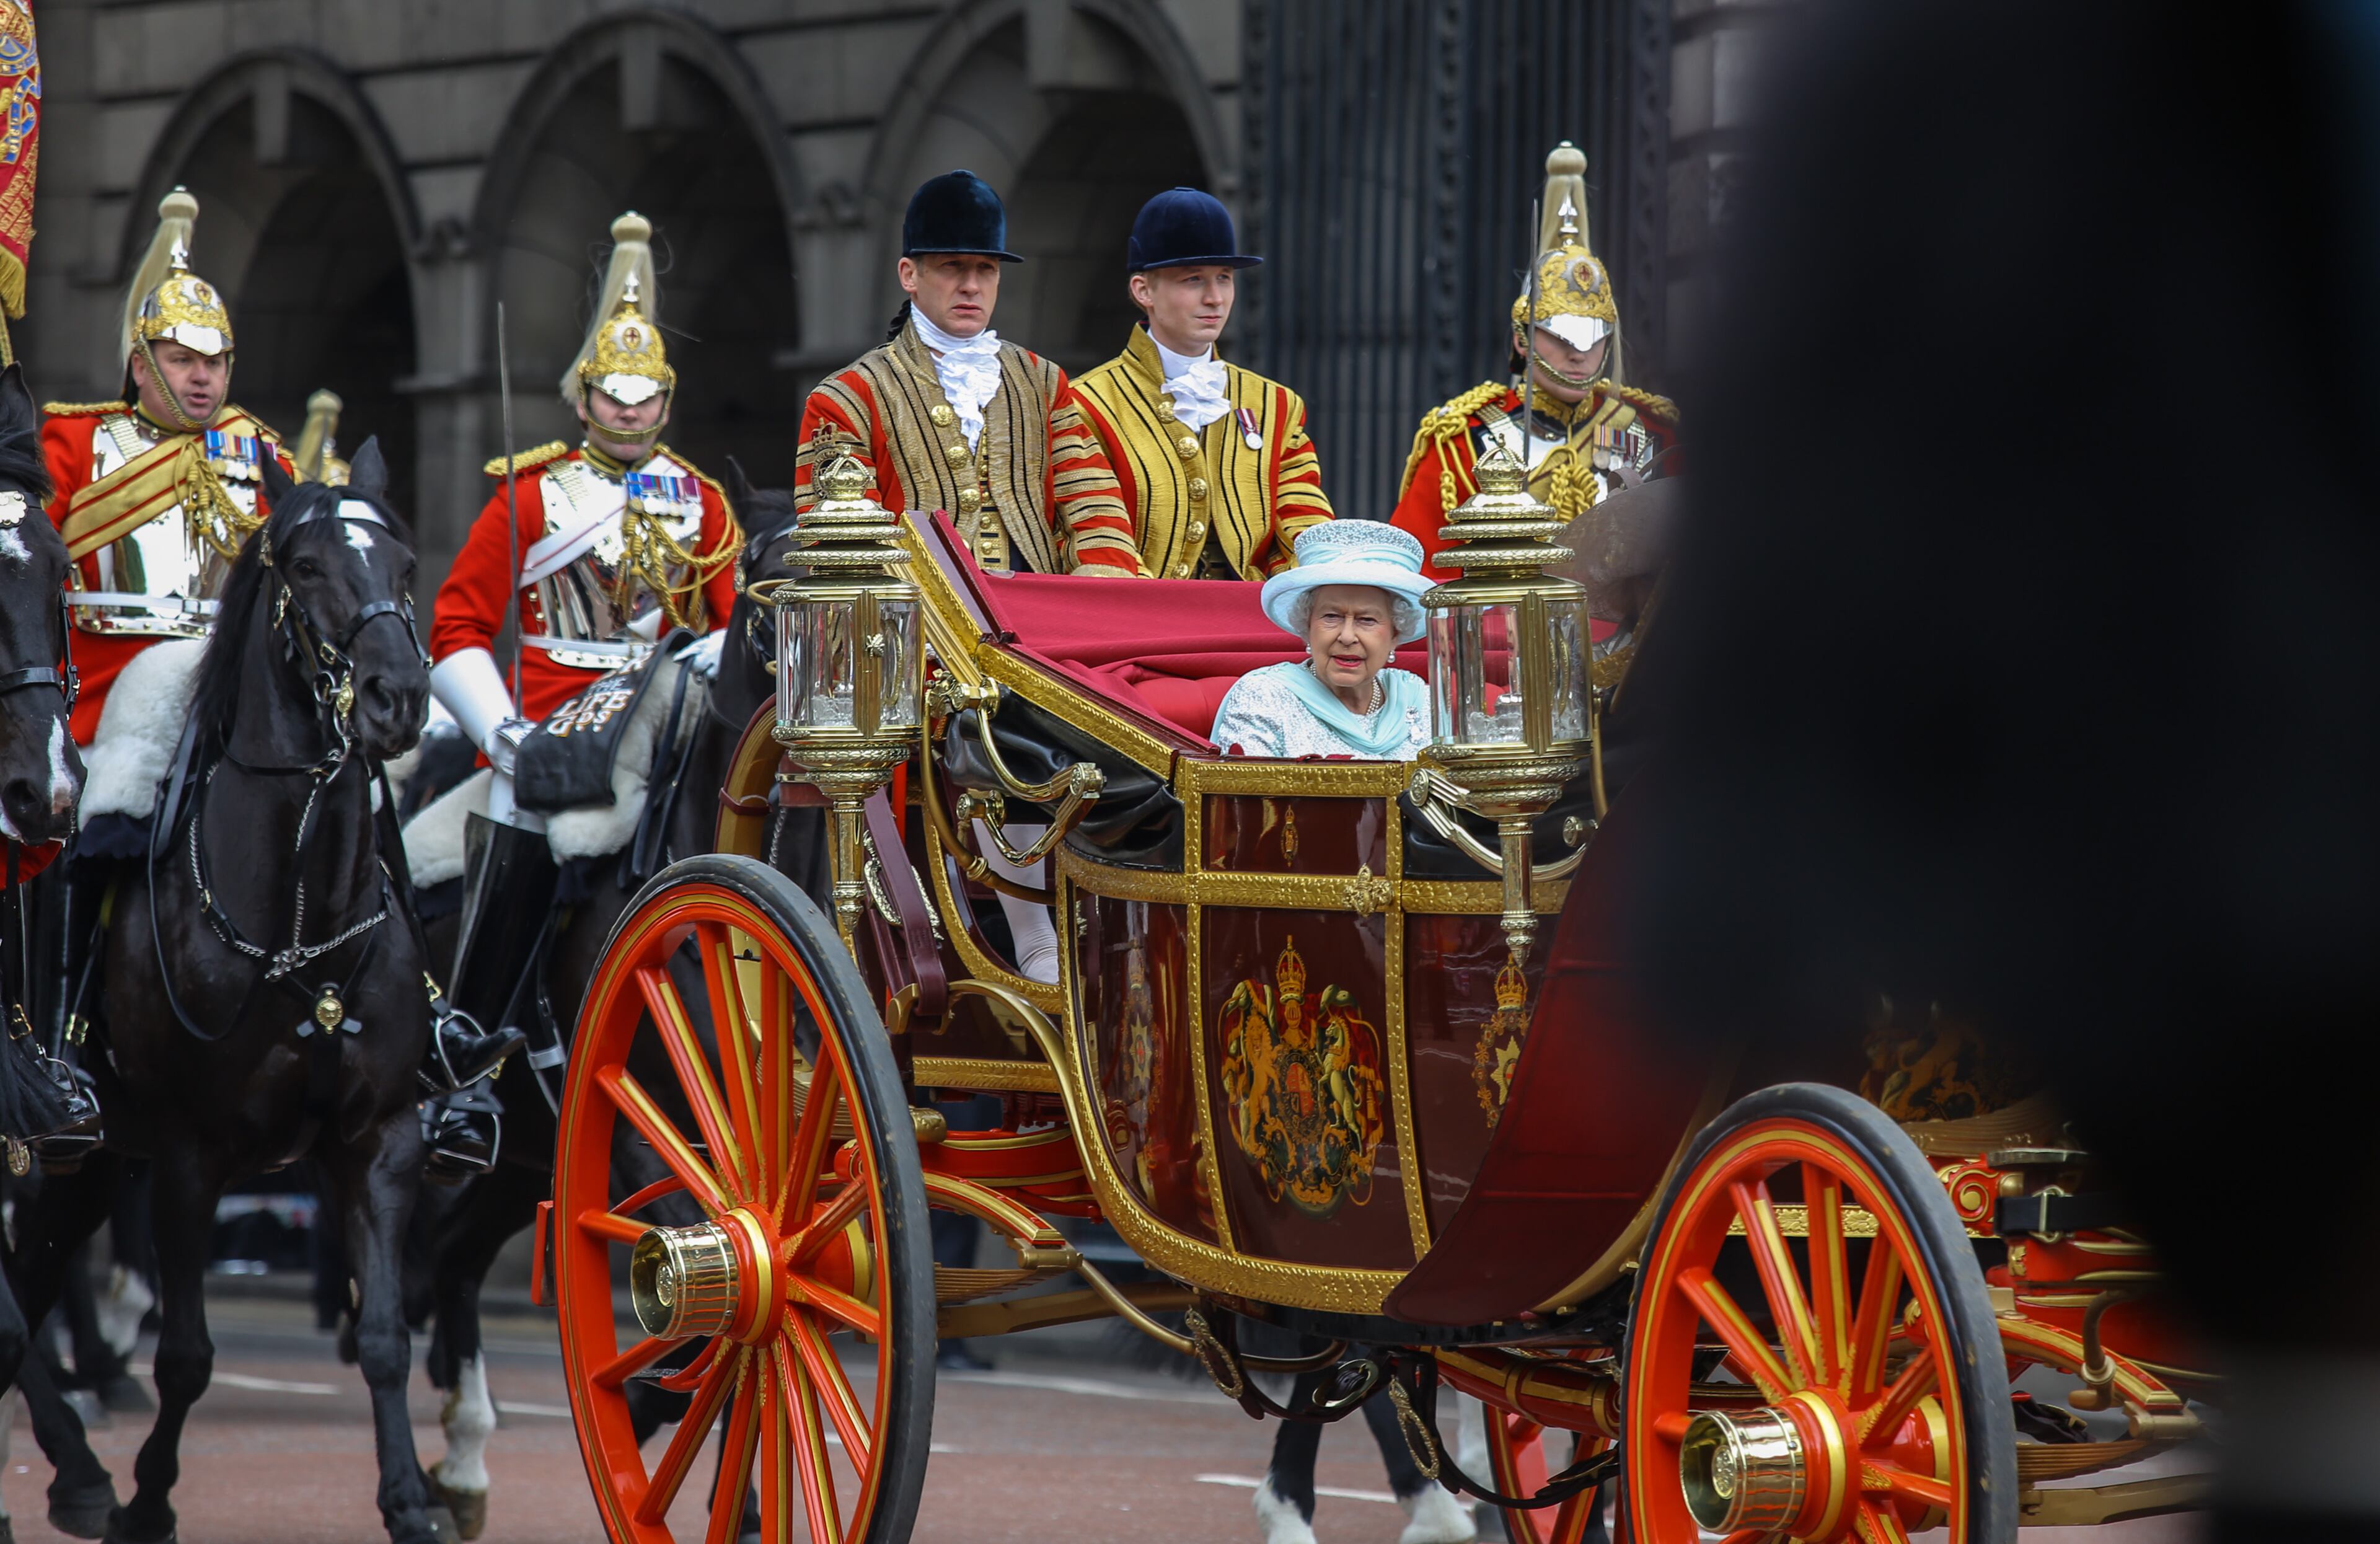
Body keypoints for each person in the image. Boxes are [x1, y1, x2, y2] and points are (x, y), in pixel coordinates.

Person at [426, 211, 740, 1158]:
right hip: (556, 729)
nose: (632, 411)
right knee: (509, 825)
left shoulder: (706, 502)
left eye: (648, 396)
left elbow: (734, 633)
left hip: (668, 719)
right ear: (583, 398)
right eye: (616, 394)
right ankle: (469, 1060)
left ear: (669, 399)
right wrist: (502, 731)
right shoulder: (527, 494)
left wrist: (703, 665)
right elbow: (455, 627)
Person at [40, 188, 291, 744]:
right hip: (96, 713)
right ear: (141, 365)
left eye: (214, 362)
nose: (201, 377)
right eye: (182, 360)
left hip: (227, 711)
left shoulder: (262, 454)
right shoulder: (79, 442)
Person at [795, 169, 1136, 576]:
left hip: (1037, 622)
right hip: (915, 626)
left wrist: (1088, 607)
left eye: (986, 268)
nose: (971, 285)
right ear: (909, 275)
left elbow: (1094, 508)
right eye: (952, 267)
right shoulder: (846, 398)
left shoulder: (1044, 381)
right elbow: (845, 548)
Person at [1390, 144, 1679, 576]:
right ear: (1522, 340)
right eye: (1561, 336)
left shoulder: (1654, 433)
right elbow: (1419, 577)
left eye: (1595, 336)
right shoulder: (1461, 443)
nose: (1579, 352)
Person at [1072, 187, 1333, 578]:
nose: (1215, 298)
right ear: (1143, 290)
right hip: (1146, 619)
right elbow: (1097, 536)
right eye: (1194, 280)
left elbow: (1305, 522)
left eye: (1224, 279)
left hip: (1250, 619)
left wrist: (1286, 592)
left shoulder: (1276, 405)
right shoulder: (1086, 404)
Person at [1210, 522, 1434, 761]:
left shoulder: (1421, 699)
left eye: (1367, 620)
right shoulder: (1264, 696)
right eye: (1332, 617)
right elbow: (1245, 795)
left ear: (1396, 634)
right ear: (1307, 626)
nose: (1347, 637)